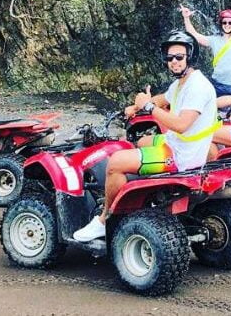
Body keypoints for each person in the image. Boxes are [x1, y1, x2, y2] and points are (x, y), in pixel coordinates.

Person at [72, 30, 217, 241]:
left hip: (182, 155)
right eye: (169, 58)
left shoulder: (198, 87)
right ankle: (142, 190)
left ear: (190, 56)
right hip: (179, 144)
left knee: (116, 162)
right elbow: (162, 99)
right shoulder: (182, 83)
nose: (174, 62)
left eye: (179, 57)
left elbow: (181, 125)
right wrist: (135, 107)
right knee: (142, 141)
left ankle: (104, 219)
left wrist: (147, 107)